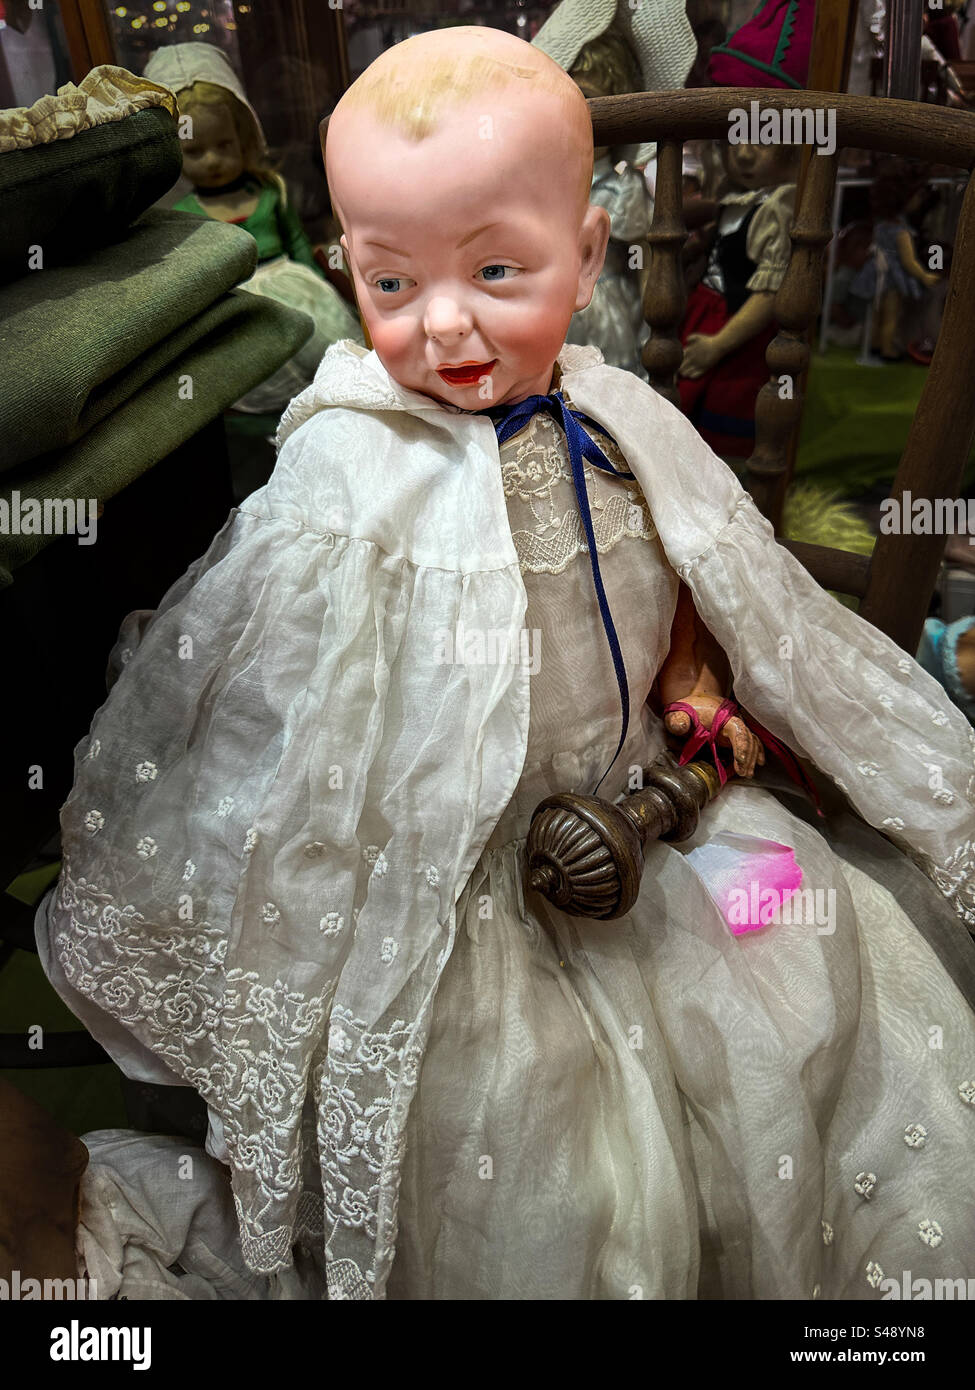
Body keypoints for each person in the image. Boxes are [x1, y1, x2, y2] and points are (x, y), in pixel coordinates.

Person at [39, 27, 975, 1301]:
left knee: (807, 953)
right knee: (504, 1125)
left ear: (586, 255)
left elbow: (720, 602)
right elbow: (287, 695)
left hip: (667, 832)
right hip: (456, 889)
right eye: (390, 284)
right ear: (344, 267)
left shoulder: (624, 429)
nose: (446, 325)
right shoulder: (345, 464)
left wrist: (696, 724)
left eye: (496, 269)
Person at [144, 43, 362, 414]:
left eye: (224, 145)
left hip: (296, 286)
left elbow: (295, 242)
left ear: (244, 136)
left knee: (331, 354)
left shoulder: (270, 191)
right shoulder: (184, 214)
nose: (212, 160)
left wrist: (322, 287)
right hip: (236, 299)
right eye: (195, 151)